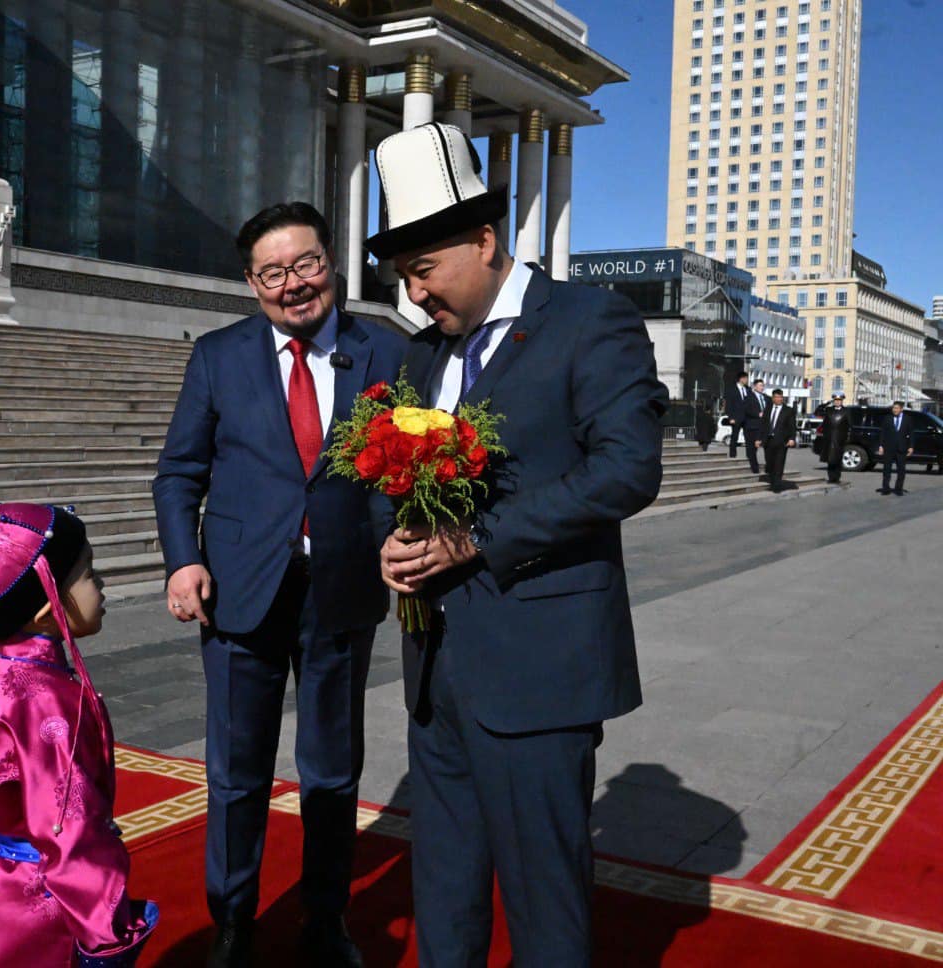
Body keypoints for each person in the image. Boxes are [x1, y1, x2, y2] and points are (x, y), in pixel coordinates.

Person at [367, 122, 667, 967]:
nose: (415, 294)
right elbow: (408, 482)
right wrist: (399, 540)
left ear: (484, 239)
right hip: (436, 672)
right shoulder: (423, 356)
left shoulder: (589, 320)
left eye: (425, 270)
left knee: (544, 904)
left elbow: (626, 470)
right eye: (403, 277)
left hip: (540, 670)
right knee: (445, 888)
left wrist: (474, 540)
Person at [152, 202, 405, 968]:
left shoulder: (385, 352)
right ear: (251, 282)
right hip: (239, 592)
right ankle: (233, 922)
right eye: (273, 272)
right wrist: (183, 560)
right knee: (236, 773)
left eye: (306, 264)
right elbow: (178, 473)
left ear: (331, 262)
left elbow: (406, 466)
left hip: (342, 589)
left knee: (332, 772)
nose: (293, 284)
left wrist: (403, 532)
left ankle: (325, 920)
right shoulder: (217, 357)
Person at [0, 502, 158, 967]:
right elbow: (69, 827)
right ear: (44, 610)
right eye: (88, 574)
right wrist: (105, 933)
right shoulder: (47, 700)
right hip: (41, 898)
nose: (101, 585)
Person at [755, 389, 797, 492]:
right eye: (777, 397)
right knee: (770, 463)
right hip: (768, 441)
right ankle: (773, 481)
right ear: (773, 398)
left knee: (779, 463)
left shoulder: (789, 410)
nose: (779, 399)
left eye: (780, 397)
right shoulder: (768, 409)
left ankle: (776, 486)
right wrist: (758, 439)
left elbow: (792, 426)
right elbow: (762, 425)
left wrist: (792, 438)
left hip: (782, 441)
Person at [877, 400, 914, 495]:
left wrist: (911, 446)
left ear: (901, 409)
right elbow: (883, 432)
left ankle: (898, 489)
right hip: (889, 447)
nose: (894, 410)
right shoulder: (887, 418)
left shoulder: (907, 419)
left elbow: (911, 433)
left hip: (902, 448)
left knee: (901, 470)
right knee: (887, 469)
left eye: (897, 408)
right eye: (893, 408)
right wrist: (881, 445)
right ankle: (886, 488)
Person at [819, 391, 851, 483]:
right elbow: (817, 412)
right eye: (835, 400)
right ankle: (831, 477)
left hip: (840, 438)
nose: (837, 402)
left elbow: (849, 425)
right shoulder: (829, 410)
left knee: (837, 459)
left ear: (842, 401)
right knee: (830, 459)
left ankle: (837, 477)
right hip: (829, 438)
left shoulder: (846, 411)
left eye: (839, 400)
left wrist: (847, 438)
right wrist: (825, 404)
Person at [744, 378, 769, 475]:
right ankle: (755, 469)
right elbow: (746, 410)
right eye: (760, 385)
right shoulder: (748, 397)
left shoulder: (766, 398)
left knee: (768, 448)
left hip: (765, 427)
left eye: (763, 385)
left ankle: (769, 468)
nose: (762, 387)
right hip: (753, 426)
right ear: (755, 387)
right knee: (752, 449)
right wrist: (757, 414)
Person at [725, 371, 751, 458]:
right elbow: (729, 405)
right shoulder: (732, 390)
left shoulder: (748, 389)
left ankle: (749, 455)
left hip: (747, 418)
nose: (747, 380)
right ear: (741, 379)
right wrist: (731, 417)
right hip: (736, 417)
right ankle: (733, 454)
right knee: (734, 436)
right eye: (746, 378)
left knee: (748, 437)